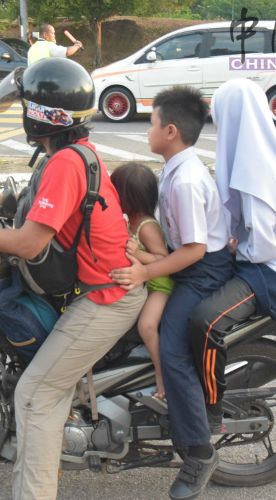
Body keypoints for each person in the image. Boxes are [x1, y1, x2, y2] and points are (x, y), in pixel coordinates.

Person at [0, 57, 146, 500]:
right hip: (99, 288)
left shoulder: (66, 162)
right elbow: (22, 205)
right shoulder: (65, 156)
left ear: (42, 114)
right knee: (37, 388)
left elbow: (29, 243)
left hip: (107, 297)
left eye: (25, 104)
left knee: (34, 395)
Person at [109, 86, 233, 500]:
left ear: (172, 130)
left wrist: (145, 271)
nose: (148, 131)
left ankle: (198, 454)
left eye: (152, 124)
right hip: (188, 263)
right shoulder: (178, 168)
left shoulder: (185, 181)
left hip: (201, 270)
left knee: (174, 348)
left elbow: (194, 250)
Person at [187, 79, 276, 435]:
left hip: (275, 268)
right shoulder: (261, 153)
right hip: (269, 257)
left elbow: (262, 245)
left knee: (204, 320)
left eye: (219, 113)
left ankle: (210, 412)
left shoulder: (254, 168)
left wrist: (232, 250)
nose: (215, 121)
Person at [110, 162, 174, 398]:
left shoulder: (147, 226)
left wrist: (137, 253)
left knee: (146, 326)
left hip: (160, 285)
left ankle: (162, 376)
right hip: (144, 283)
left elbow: (162, 258)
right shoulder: (128, 221)